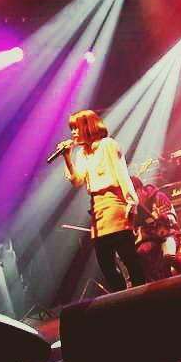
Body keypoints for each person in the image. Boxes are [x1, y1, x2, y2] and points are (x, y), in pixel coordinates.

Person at [63, 109, 145, 292]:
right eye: (72, 129)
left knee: (128, 258)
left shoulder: (108, 145)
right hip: (97, 211)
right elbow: (77, 180)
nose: (73, 133)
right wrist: (67, 157)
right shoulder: (82, 154)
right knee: (106, 264)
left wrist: (131, 202)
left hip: (114, 204)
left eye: (76, 128)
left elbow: (122, 174)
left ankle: (142, 296)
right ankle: (122, 298)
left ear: (88, 127)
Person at [130, 176, 181, 281]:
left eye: (133, 193)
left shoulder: (158, 196)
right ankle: (156, 284)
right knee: (141, 253)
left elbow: (172, 218)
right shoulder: (134, 207)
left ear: (140, 189)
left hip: (169, 235)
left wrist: (163, 218)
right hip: (150, 239)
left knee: (168, 257)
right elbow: (134, 229)